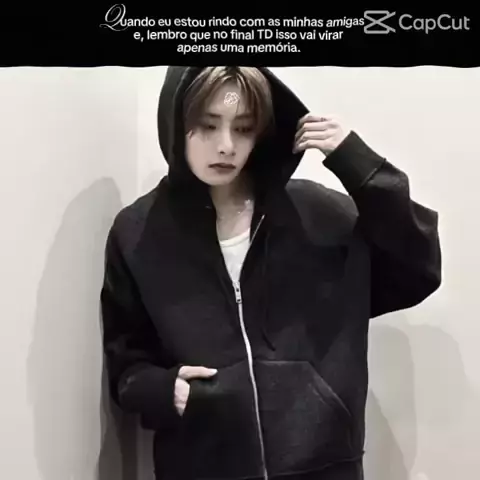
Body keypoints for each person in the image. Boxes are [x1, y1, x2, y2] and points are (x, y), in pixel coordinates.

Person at [100, 66, 442, 480]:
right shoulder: (138, 233)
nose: (226, 146)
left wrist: (360, 166)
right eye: (207, 125)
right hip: (201, 466)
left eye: (243, 128)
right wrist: (164, 391)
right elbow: (127, 360)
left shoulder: (318, 215)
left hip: (323, 467)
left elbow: (417, 269)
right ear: (176, 122)